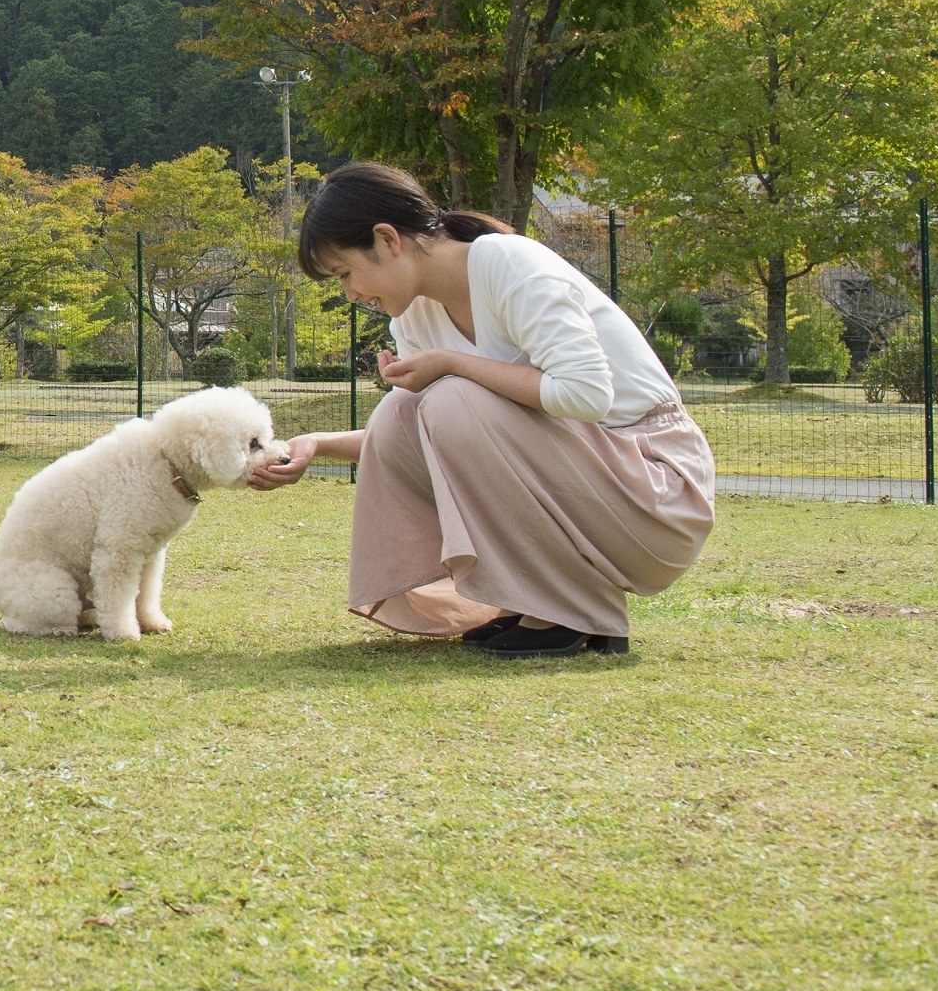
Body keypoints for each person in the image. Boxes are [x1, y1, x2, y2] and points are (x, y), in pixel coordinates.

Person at [245, 161, 712, 659]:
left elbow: (586, 396)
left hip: (655, 493)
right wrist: (316, 444)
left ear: (387, 239)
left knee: (447, 397)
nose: (351, 294)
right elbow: (424, 436)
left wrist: (453, 363)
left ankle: (570, 608)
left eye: (345, 273)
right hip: (594, 487)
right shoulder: (416, 315)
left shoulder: (507, 263)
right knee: (401, 414)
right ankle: (528, 596)